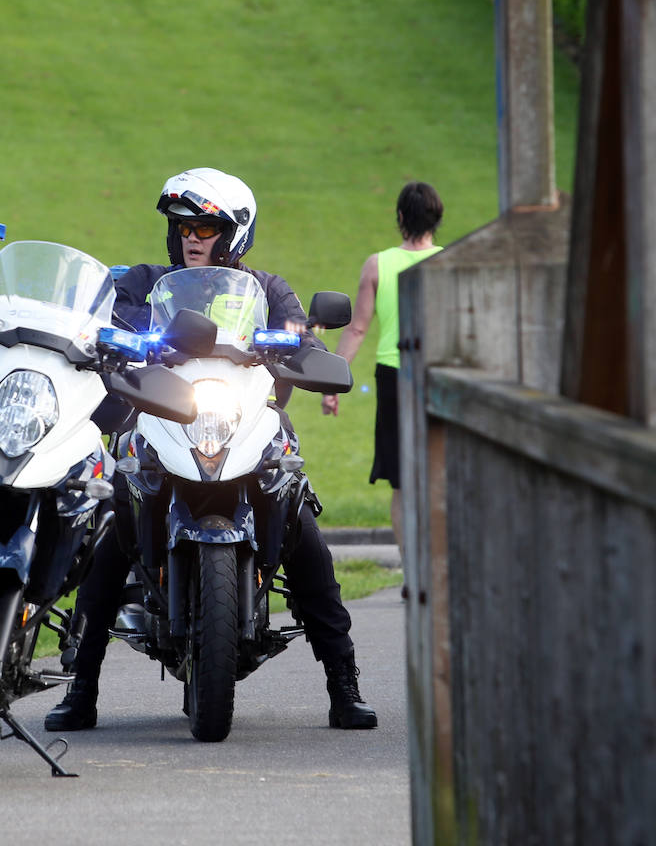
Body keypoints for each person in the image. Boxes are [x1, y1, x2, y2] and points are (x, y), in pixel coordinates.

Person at [45, 167, 378, 732]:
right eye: (181, 226)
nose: (191, 237)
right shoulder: (145, 283)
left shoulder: (269, 290)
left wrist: (304, 344)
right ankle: (82, 688)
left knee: (302, 531)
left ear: (235, 233)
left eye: (204, 226)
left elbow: (302, 334)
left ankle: (343, 681)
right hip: (163, 423)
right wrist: (109, 336)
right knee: (115, 530)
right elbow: (106, 325)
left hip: (249, 423)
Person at [320, 182, 443, 549]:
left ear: (400, 217)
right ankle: (438, 568)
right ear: (437, 218)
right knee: (438, 474)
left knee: (402, 480)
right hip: (439, 373)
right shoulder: (450, 263)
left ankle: (411, 575)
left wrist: (331, 384)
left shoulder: (379, 264)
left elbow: (357, 329)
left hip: (394, 375)